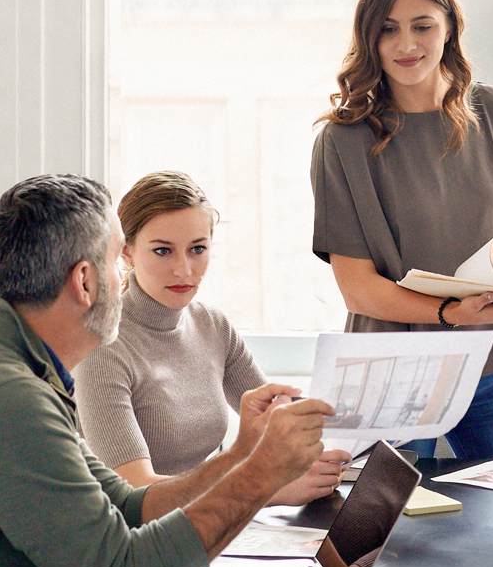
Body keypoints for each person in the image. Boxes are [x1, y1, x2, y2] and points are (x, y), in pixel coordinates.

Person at [0, 174, 331, 567]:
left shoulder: (8, 368)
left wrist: (241, 455)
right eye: (118, 261)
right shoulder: (5, 399)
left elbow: (129, 506)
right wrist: (261, 476)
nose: (125, 279)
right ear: (86, 281)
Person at [311, 0, 493, 459]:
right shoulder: (343, 140)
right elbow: (357, 288)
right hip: (391, 371)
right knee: (378, 531)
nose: (407, 44)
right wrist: (449, 314)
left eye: (423, 25)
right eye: (388, 29)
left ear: (450, 29)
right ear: (369, 38)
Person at [75, 171, 350, 503]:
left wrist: (335, 437)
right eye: (163, 251)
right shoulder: (102, 349)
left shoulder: (212, 325)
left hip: (198, 523)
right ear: (127, 252)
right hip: (130, 536)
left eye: (197, 249)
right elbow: (134, 491)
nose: (184, 270)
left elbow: (275, 423)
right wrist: (264, 489)